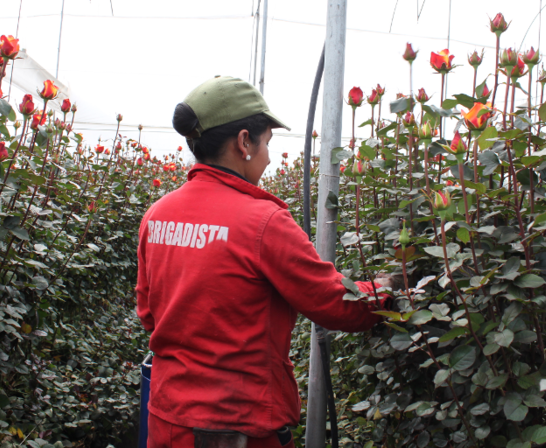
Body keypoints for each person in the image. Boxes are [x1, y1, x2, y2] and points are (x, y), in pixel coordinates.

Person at [136, 76, 391, 448]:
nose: (269, 157)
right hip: (236, 428)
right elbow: (336, 304)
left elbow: (147, 313)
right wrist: (385, 291)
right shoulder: (263, 222)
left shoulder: (156, 216)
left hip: (166, 421)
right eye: (267, 143)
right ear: (244, 142)